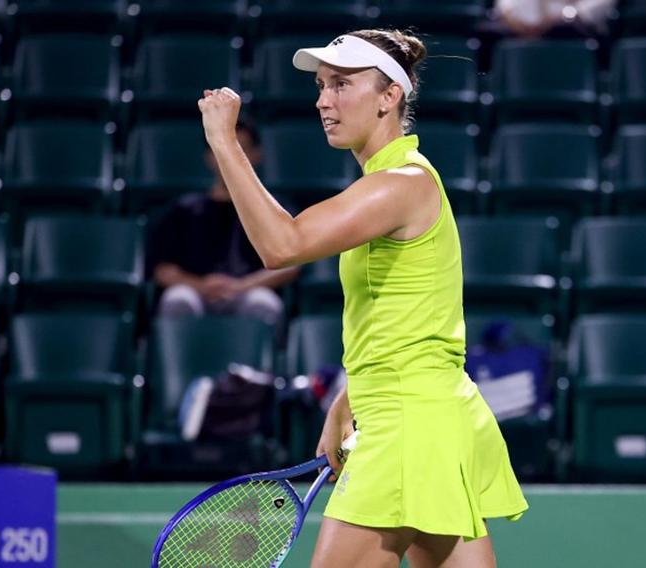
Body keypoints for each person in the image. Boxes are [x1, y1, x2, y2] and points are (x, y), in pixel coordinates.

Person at [198, 29, 527, 568]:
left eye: (342, 84)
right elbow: (403, 316)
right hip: (431, 415)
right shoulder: (401, 181)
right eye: (322, 86)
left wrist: (224, 143)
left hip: (409, 425)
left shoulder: (400, 185)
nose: (323, 101)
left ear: (389, 96)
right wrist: (348, 400)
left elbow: (282, 246)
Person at [148, 118, 299, 326]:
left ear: (257, 155)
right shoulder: (183, 210)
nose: (231, 158)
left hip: (249, 291)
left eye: (241, 150)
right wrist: (201, 285)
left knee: (263, 303)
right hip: (196, 291)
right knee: (178, 299)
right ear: (209, 156)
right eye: (224, 149)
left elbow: (290, 265)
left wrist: (241, 286)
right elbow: (163, 269)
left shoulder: (275, 209)